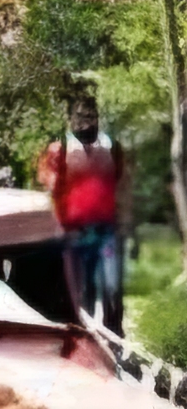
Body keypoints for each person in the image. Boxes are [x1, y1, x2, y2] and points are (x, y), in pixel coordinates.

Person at [39, 91, 128, 332]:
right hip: (74, 232)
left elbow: (120, 184)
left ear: (98, 117)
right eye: (80, 116)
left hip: (107, 230)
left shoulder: (113, 147)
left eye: (90, 116)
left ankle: (116, 342)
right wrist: (58, 226)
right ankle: (85, 340)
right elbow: (52, 190)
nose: (85, 122)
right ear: (70, 119)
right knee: (81, 295)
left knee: (113, 289)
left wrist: (125, 222)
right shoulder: (59, 149)